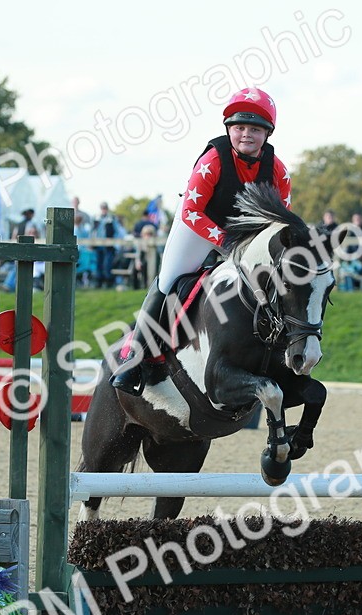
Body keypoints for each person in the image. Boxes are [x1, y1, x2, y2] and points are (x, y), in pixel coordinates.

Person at [110, 87, 292, 395]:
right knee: (168, 281)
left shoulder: (277, 168)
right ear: (229, 130)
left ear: (267, 134)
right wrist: (224, 240)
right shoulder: (213, 160)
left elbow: (281, 217)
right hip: (197, 229)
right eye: (239, 128)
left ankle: (285, 352)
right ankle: (133, 361)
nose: (246, 134)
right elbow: (191, 210)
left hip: (244, 237)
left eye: (255, 129)